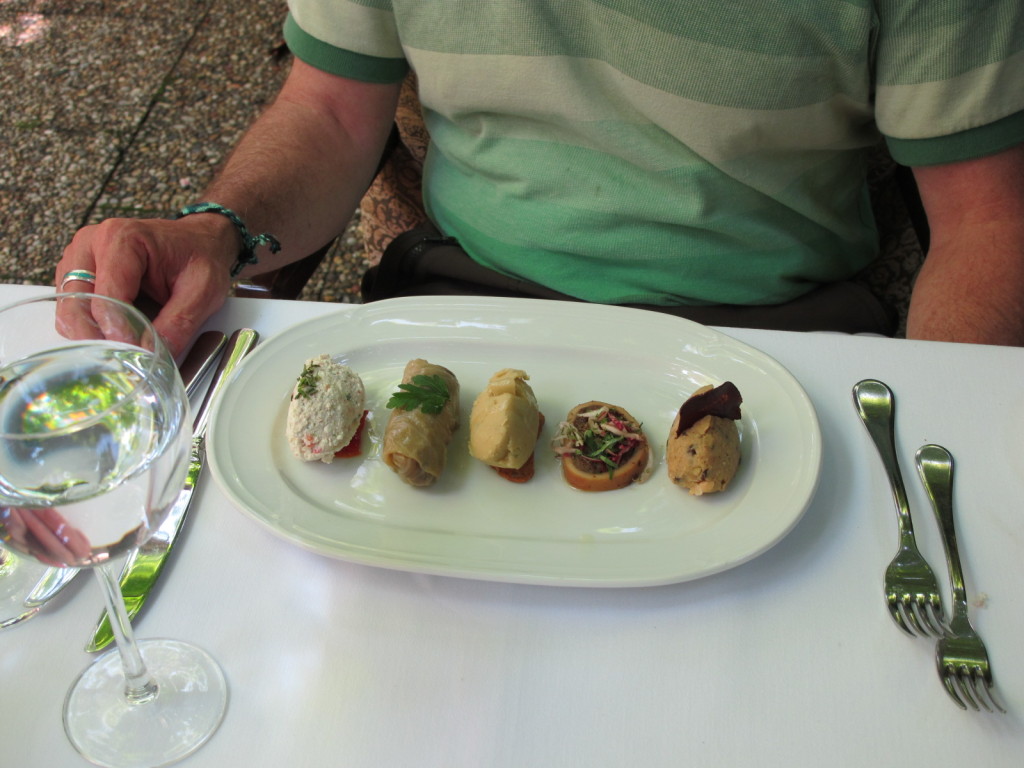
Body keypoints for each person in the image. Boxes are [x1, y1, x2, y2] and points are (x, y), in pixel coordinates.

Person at [58, 2, 1024, 357]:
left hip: (779, 338)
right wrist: (217, 228)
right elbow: (327, 110)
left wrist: (939, 448)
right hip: (457, 310)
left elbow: (989, 221)